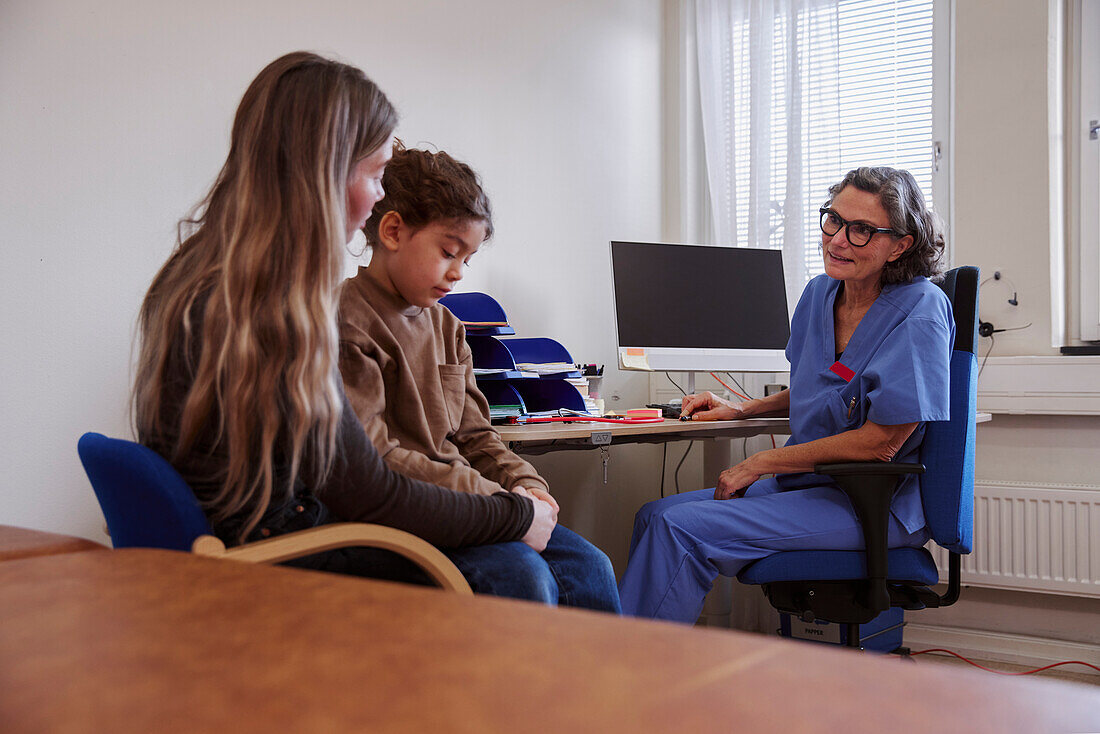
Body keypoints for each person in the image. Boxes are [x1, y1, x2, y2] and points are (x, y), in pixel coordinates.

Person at [133, 52, 555, 583]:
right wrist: (514, 513)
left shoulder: (203, 270)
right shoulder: (274, 305)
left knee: (553, 561)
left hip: (273, 526)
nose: (379, 195)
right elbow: (368, 490)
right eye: (376, 174)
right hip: (285, 550)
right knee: (515, 572)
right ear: (326, 169)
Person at [618, 166, 953, 622]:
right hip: (808, 488)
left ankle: (634, 680)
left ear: (899, 245)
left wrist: (759, 462)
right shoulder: (820, 294)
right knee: (653, 515)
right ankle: (637, 663)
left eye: (861, 231)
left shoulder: (920, 311)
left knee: (680, 530)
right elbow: (825, 387)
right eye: (833, 219)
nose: (836, 240)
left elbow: (882, 443)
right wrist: (743, 409)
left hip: (872, 503)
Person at [337, 142, 620, 612]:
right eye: (449, 252)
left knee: (592, 567)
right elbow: (376, 460)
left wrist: (528, 486)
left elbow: (476, 436)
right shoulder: (348, 321)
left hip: (480, 504)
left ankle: (594, 688)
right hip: (415, 512)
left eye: (466, 260)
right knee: (522, 577)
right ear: (392, 231)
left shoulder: (447, 328)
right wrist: (504, 506)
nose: (458, 273)